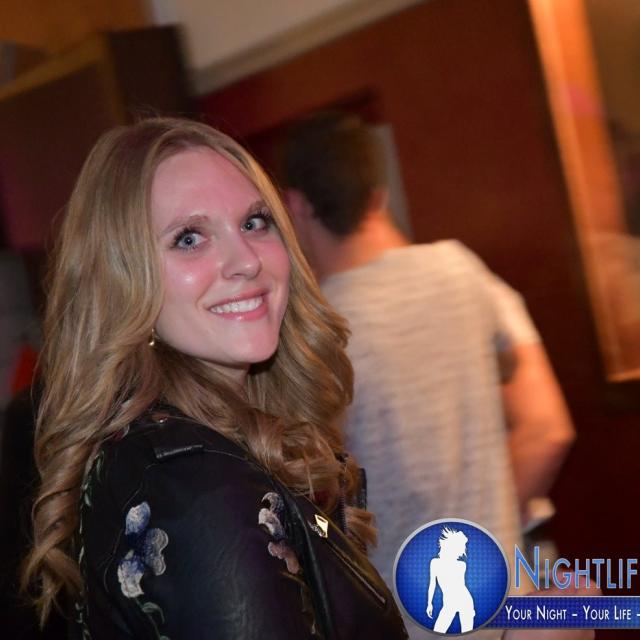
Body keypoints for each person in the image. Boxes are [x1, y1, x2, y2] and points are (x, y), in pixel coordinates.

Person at [21, 117, 409, 639]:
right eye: (189, 238)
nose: (245, 261)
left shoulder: (180, 450)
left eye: (254, 222)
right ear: (121, 280)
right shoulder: (197, 488)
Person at [282, 111, 577, 637]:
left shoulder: (309, 337)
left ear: (296, 206)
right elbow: (548, 429)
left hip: (400, 619)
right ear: (378, 193)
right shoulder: (464, 273)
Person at [426, 528, 474, 633]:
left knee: (468, 634)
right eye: (461, 547)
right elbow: (432, 585)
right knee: (438, 630)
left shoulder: (462, 565)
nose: (463, 551)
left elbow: (460, 586)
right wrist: (429, 603)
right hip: (448, 604)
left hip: (465, 601)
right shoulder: (435, 563)